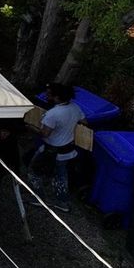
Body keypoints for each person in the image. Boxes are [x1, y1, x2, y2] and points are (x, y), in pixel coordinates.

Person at [33, 81, 85, 211]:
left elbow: (45, 134)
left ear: (57, 97)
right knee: (60, 176)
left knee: (33, 171)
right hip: (67, 150)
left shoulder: (53, 114)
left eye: (50, 95)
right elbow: (84, 122)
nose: (47, 96)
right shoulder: (75, 108)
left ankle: (39, 199)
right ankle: (62, 202)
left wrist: (32, 128)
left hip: (51, 150)